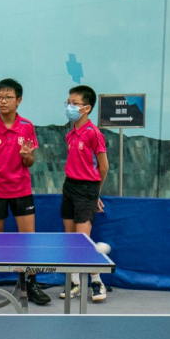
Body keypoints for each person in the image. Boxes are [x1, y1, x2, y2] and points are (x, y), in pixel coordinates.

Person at [0, 78, 48, 307]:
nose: (3, 101)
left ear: (18, 100)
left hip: (21, 190)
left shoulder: (27, 126)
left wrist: (26, 156)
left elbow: (30, 161)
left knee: (28, 240)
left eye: (8, 97)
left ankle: (30, 284)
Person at [60, 85, 108, 303]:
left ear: (86, 108)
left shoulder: (94, 134)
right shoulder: (70, 134)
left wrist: (95, 193)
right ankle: (75, 283)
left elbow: (104, 166)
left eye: (74, 103)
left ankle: (97, 281)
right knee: (71, 239)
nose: (69, 107)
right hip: (69, 186)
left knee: (83, 241)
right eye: (68, 102)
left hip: (87, 189)